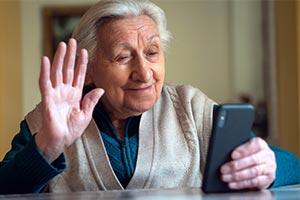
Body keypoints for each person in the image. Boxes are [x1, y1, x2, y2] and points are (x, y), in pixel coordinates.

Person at [0, 0, 299, 194]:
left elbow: (293, 166)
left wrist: (268, 164)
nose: (144, 73)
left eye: (152, 53)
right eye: (122, 57)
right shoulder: (48, 119)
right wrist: (47, 146)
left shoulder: (192, 108)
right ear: (88, 69)